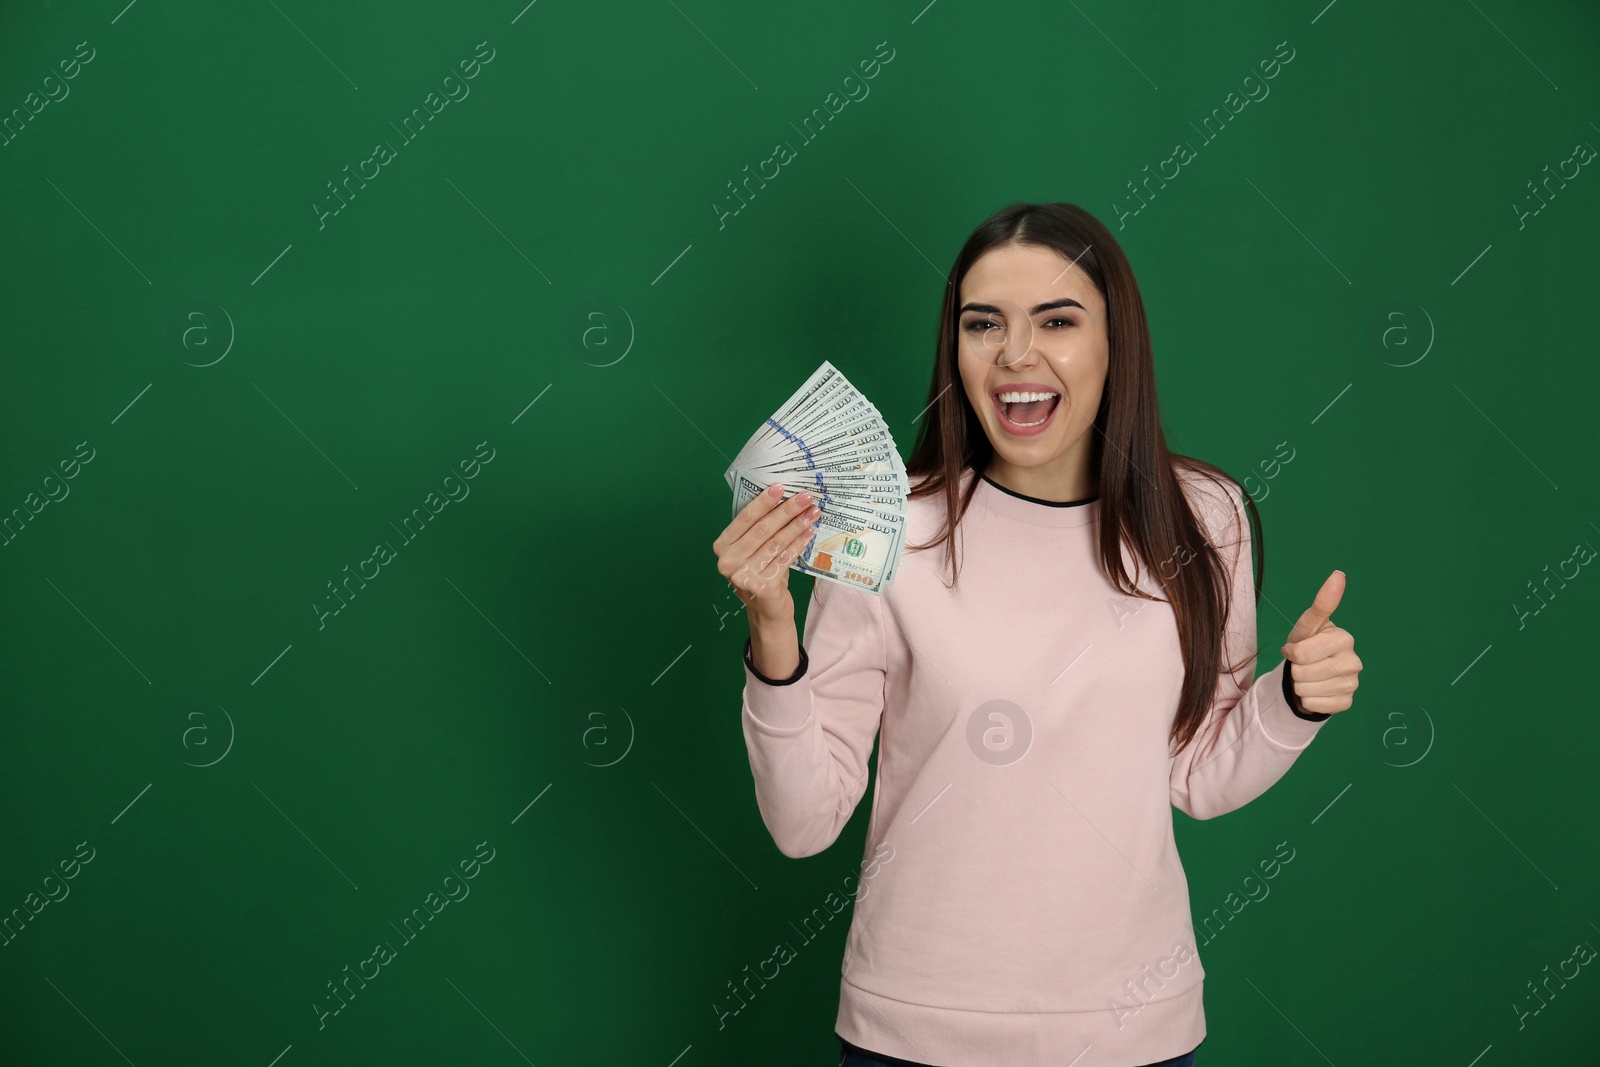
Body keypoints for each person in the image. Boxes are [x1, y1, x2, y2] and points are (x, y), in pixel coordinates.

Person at [711, 202, 1362, 1067]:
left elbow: (1197, 771)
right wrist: (771, 626)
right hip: (914, 1034)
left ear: (1114, 343)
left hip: (1138, 1030)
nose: (1017, 354)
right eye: (985, 325)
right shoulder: (888, 532)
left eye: (1056, 320)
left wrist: (1291, 701)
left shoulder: (1206, 519)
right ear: (957, 350)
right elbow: (803, 822)